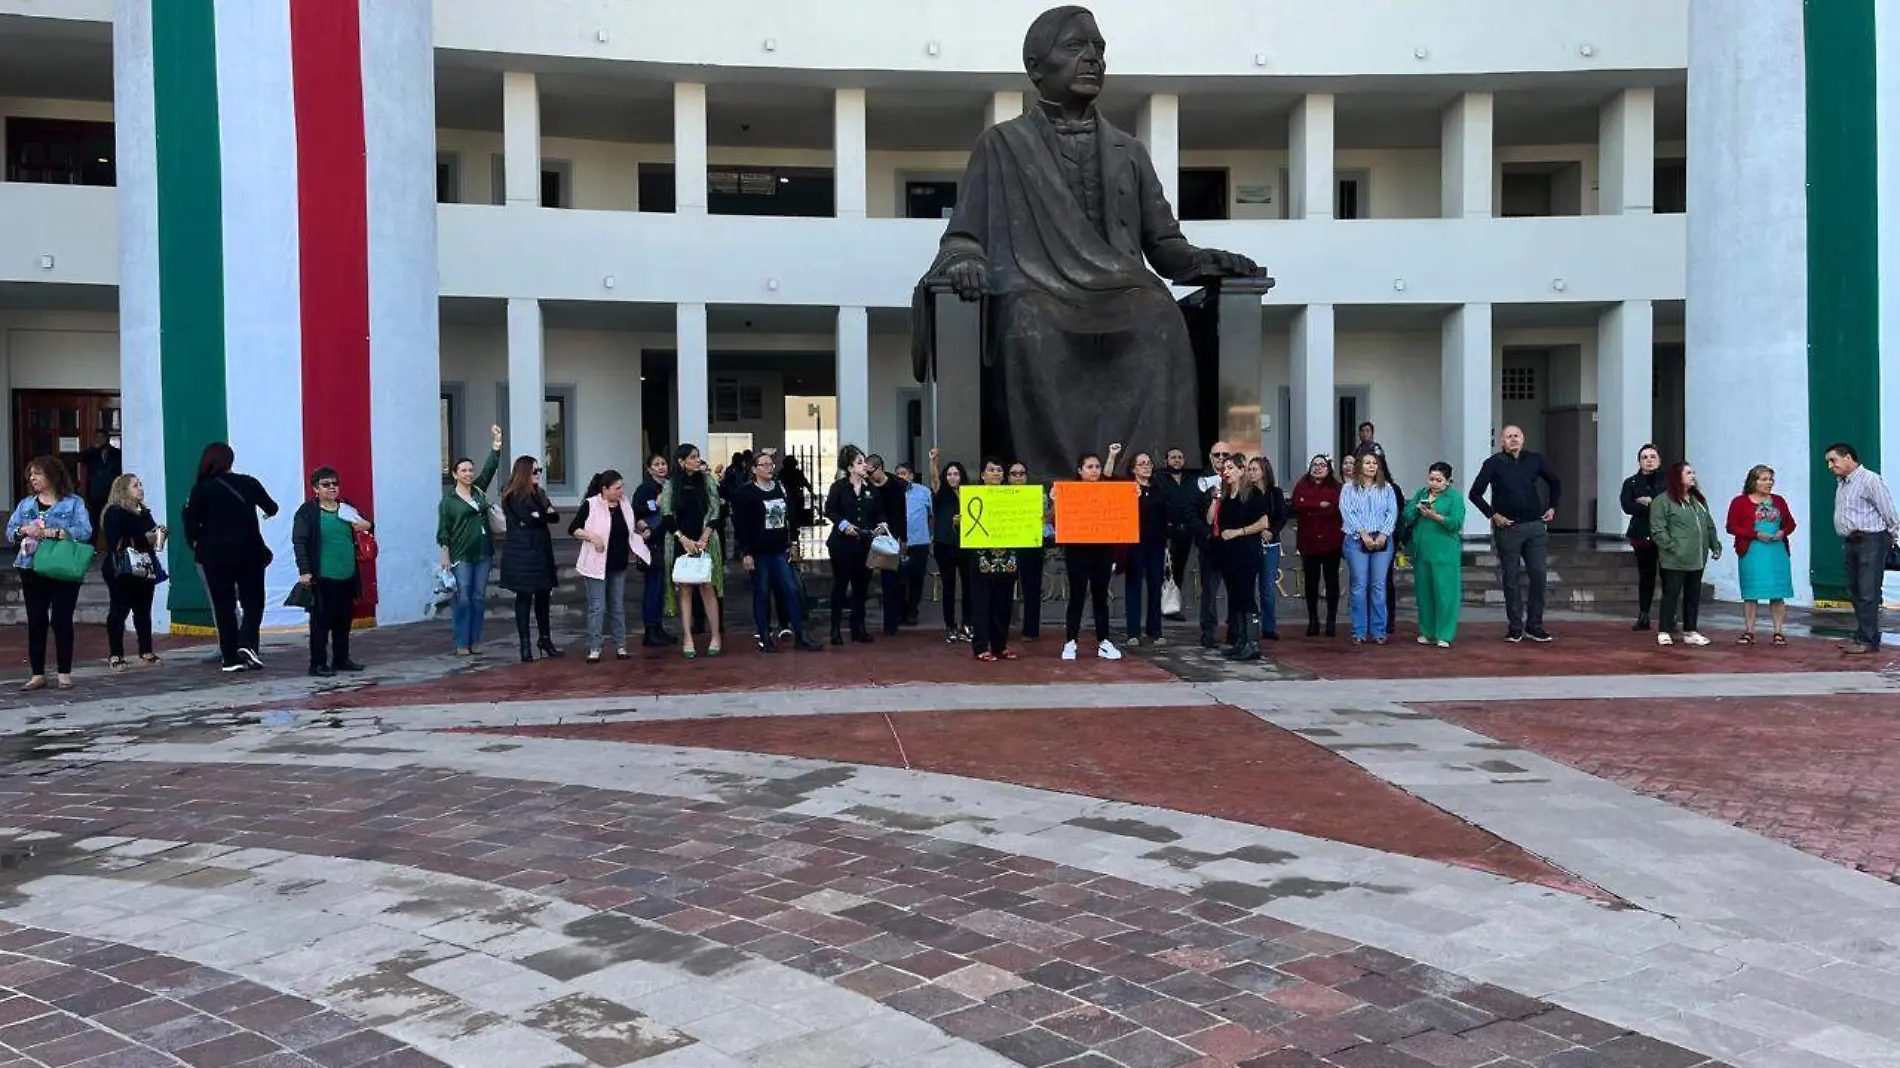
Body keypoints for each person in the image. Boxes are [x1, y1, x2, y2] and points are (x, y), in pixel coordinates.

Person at [912, 5, 1265, 478]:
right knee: (1026, 327)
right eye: (1076, 47)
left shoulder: (1129, 151)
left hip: (1121, 286)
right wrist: (964, 259)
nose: (1093, 60)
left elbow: (1163, 244)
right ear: (1036, 67)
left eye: (1099, 50)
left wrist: (1204, 259)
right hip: (1036, 287)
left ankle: (1154, 479)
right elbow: (962, 235)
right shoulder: (1002, 145)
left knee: (1162, 319)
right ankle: (1043, 482)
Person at [181, 442, 279, 673]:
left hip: (213, 554)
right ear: (230, 461)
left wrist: (197, 543)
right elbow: (272, 507)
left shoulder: (200, 489)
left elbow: (190, 524)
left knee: (223, 606)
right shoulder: (248, 483)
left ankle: (230, 659)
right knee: (253, 602)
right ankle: (247, 645)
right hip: (248, 551)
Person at [1468, 424, 1560, 643]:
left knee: (1538, 573)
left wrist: (1553, 506)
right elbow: (1475, 493)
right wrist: (1493, 514)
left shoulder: (1534, 459)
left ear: (1523, 438)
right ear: (1501, 441)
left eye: (1516, 435)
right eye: (1508, 436)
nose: (1513, 439)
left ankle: (1535, 625)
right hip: (1508, 528)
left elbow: (1555, 482)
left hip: (1535, 527)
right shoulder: (1493, 464)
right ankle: (1515, 626)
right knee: (1511, 577)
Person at [8, 456, 93, 691]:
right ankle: (37, 673)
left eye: (38, 473)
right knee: (36, 621)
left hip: (63, 566)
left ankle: (64, 672)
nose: (33, 478)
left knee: (61, 620)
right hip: (31, 567)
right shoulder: (26, 504)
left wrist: (56, 532)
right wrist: (23, 530)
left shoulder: (73, 503)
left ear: (52, 475)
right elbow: (10, 531)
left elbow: (85, 531)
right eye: (30, 474)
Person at [733, 452, 824, 653]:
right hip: (759, 552)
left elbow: (791, 515)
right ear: (754, 469)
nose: (769, 468)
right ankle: (764, 636)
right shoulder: (746, 493)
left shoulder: (780, 488)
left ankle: (800, 633)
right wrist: (746, 552)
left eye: (771, 464)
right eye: (764, 465)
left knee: (791, 589)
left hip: (779, 550)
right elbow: (741, 525)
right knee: (762, 592)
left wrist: (793, 541)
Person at [291, 466, 373, 677]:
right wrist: (305, 570)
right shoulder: (308, 512)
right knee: (320, 622)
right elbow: (299, 542)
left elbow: (367, 526)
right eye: (326, 485)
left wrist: (367, 525)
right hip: (323, 576)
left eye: (335, 484)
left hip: (347, 574)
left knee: (343, 619)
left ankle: (341, 659)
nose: (332, 488)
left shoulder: (346, 507)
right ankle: (317, 663)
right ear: (315, 488)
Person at [1824, 442, 1899, 656]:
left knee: (1868, 591)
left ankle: (1867, 640)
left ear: (1848, 458)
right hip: (1851, 542)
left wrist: (1891, 538)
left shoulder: (1870, 480)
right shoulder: (1842, 483)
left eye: (1833, 460)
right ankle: (1864, 635)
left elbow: (1888, 511)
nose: (1830, 466)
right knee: (1855, 590)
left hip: (1871, 540)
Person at [437, 424, 504, 655]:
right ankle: (461, 642)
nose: (468, 474)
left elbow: (490, 469)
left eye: (470, 470)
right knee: (463, 597)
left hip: (483, 551)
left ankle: (474, 639)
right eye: (463, 471)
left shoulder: (478, 491)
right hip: (461, 553)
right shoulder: (449, 501)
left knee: (478, 597)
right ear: (455, 474)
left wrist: (496, 445)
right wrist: (445, 552)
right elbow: (443, 529)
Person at [570, 469, 648, 663]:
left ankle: (621, 645)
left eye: (622, 487)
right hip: (596, 563)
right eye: (617, 488)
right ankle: (595, 648)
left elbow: (633, 521)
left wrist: (643, 530)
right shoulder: (591, 504)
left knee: (617, 606)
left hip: (618, 562)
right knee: (598, 607)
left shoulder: (625, 504)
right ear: (604, 489)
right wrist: (592, 536)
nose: (621, 491)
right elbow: (573, 528)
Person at [1058, 449, 1123, 661]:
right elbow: (1054, 520)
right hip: (1077, 551)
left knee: (1100, 596)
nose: (1094, 471)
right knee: (1077, 596)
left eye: (1097, 467)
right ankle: (1070, 642)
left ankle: (1103, 641)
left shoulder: (1109, 490)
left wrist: (1134, 496)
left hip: (1102, 551)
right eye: (1090, 467)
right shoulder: (1069, 491)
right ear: (1080, 470)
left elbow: (1123, 507)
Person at [663, 443, 726, 658]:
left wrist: (705, 536)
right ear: (681, 462)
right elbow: (667, 516)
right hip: (681, 541)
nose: (697, 460)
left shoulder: (707, 481)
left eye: (698, 456)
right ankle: (688, 637)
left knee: (708, 587)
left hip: (706, 540)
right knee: (686, 588)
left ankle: (715, 635)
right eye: (692, 457)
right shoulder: (671, 485)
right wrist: (682, 539)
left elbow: (716, 510)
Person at [498, 455, 563, 662]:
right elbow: (527, 518)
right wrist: (541, 515)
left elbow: (554, 517)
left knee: (544, 595)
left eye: (540, 471)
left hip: (541, 551)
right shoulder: (513, 495)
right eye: (535, 471)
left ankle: (545, 639)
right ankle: (525, 645)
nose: (538, 475)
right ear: (524, 473)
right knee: (524, 596)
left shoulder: (540, 494)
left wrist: (540, 515)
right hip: (521, 553)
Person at [1649, 461, 1721, 647]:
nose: (1693, 476)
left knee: (1693, 595)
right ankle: (1664, 630)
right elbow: (1658, 529)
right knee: (1671, 594)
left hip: (1697, 557)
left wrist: (1715, 545)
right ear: (1677, 476)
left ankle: (1691, 630)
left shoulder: (1698, 501)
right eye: (1688, 472)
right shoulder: (1663, 501)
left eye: (1693, 472)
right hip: (1674, 559)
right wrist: (1672, 547)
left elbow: (1709, 524)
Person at [101, 473, 167, 670]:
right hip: (122, 567)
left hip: (144, 566)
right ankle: (115, 654)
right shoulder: (115, 511)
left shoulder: (143, 511)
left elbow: (151, 534)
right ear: (123, 491)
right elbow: (115, 542)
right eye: (135, 486)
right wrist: (143, 538)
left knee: (143, 609)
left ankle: (146, 650)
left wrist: (158, 534)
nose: (140, 489)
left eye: (140, 484)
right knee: (119, 610)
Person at [1211, 453, 1273, 661]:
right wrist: (1215, 498)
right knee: (1235, 597)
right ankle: (1240, 639)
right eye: (1224, 469)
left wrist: (1239, 532)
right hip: (1228, 554)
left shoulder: (1253, 493)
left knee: (1246, 596)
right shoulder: (1227, 496)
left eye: (1230, 468)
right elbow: (1212, 520)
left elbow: (1264, 522)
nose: (1226, 472)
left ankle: (1252, 642)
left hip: (1247, 551)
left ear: (1240, 470)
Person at [1726, 465, 1795, 647]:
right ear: (1753, 481)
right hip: (1752, 550)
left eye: (1770, 479)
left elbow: (1791, 523)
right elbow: (1731, 527)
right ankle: (1749, 630)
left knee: (1777, 594)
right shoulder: (1739, 502)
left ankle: (1778, 631)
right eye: (1764, 479)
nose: (1768, 483)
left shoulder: (1779, 501)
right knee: (1751, 593)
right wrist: (1755, 534)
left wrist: (1783, 532)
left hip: (1776, 551)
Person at [825, 446, 886, 645]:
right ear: (850, 467)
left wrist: (882, 524)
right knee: (841, 586)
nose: (864, 466)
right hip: (842, 545)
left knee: (862, 587)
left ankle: (858, 627)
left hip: (865, 544)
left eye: (864, 462)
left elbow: (878, 512)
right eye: (860, 462)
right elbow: (830, 510)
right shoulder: (839, 487)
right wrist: (843, 525)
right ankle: (835, 628)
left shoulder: (871, 489)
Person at [1403, 462, 1467, 647]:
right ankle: (1427, 631)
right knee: (1424, 593)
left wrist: (1435, 516)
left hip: (1445, 552)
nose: (1434, 483)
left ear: (1448, 481)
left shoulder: (1454, 498)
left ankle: (1444, 634)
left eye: (1439, 480)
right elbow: (1406, 515)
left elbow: (1456, 523)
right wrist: (1416, 508)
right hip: (1422, 551)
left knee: (1446, 594)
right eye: (1431, 478)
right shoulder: (1422, 493)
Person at [1340, 452, 1397, 645]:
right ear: (1359, 466)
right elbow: (1347, 512)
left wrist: (1383, 534)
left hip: (1382, 540)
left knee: (1379, 586)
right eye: (1367, 463)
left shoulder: (1387, 488)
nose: (1371, 466)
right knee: (1359, 586)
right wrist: (1363, 533)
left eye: (1374, 463)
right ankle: (1359, 631)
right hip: (1357, 540)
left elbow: (1392, 512)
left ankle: (1379, 631)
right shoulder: (1348, 488)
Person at [967, 458, 1020, 663]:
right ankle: (981, 646)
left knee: (1004, 603)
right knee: (981, 604)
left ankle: (1000, 645)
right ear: (982, 475)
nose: (996, 473)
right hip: (982, 557)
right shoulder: (973, 496)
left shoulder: (1013, 497)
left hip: (1007, 556)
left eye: (999, 470)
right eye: (991, 470)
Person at [1119, 449, 1169, 646]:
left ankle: (1155, 629)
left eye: (1149, 462)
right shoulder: (1128, 489)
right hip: (1134, 544)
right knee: (1134, 587)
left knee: (1155, 586)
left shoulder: (1158, 488)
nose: (1147, 466)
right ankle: (1133, 632)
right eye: (1142, 463)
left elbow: (1165, 514)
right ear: (1133, 469)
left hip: (1156, 544)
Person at [1290, 454, 1344, 637]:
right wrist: (1319, 505)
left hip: (1331, 543)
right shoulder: (1302, 484)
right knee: (1311, 583)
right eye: (1315, 464)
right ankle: (1313, 620)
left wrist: (1311, 506)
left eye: (1322, 465)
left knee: (1331, 582)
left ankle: (1331, 621)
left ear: (1328, 468)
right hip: (1308, 542)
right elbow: (1297, 504)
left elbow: (1336, 507)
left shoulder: (1336, 487)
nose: (1318, 468)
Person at [631, 454, 677, 648]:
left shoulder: (670, 486)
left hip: (668, 540)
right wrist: (654, 505)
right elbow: (636, 510)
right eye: (656, 464)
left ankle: (659, 627)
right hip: (653, 542)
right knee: (653, 586)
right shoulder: (646, 488)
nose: (661, 467)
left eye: (663, 463)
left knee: (662, 587)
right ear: (649, 469)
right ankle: (650, 630)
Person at [928, 450, 973, 642]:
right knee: (948, 586)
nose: (952, 477)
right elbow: (934, 479)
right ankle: (950, 626)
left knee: (969, 587)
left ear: (961, 476)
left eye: (956, 474)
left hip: (966, 545)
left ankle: (967, 624)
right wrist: (933, 462)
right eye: (949, 474)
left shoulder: (970, 494)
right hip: (944, 544)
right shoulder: (941, 494)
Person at [1619, 444, 1665, 631]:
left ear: (1659, 460)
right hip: (1642, 534)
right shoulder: (1631, 483)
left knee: (1669, 575)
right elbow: (1628, 506)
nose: (1649, 460)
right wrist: (1650, 505)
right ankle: (1643, 615)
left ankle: (1670, 616)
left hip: (1665, 534)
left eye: (1652, 456)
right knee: (1646, 575)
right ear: (1639, 461)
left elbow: (1669, 504)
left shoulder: (1668, 482)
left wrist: (1649, 502)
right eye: (1644, 457)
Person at [1248, 457, 1289, 641]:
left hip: (1271, 544)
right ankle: (1248, 625)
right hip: (1250, 543)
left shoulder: (1275, 493)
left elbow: (1282, 516)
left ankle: (1269, 627)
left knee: (1267, 588)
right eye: (1249, 469)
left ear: (1264, 472)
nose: (1251, 473)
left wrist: (1271, 531)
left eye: (1254, 469)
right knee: (1248, 587)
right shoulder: (1246, 493)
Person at [78, 430, 121, 533]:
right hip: (95, 494)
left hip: (111, 492)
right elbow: (80, 457)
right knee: (94, 522)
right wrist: (95, 449)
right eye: (97, 437)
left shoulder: (116, 453)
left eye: (102, 437)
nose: (99, 440)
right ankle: (94, 546)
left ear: (107, 439)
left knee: (112, 522)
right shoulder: (92, 454)